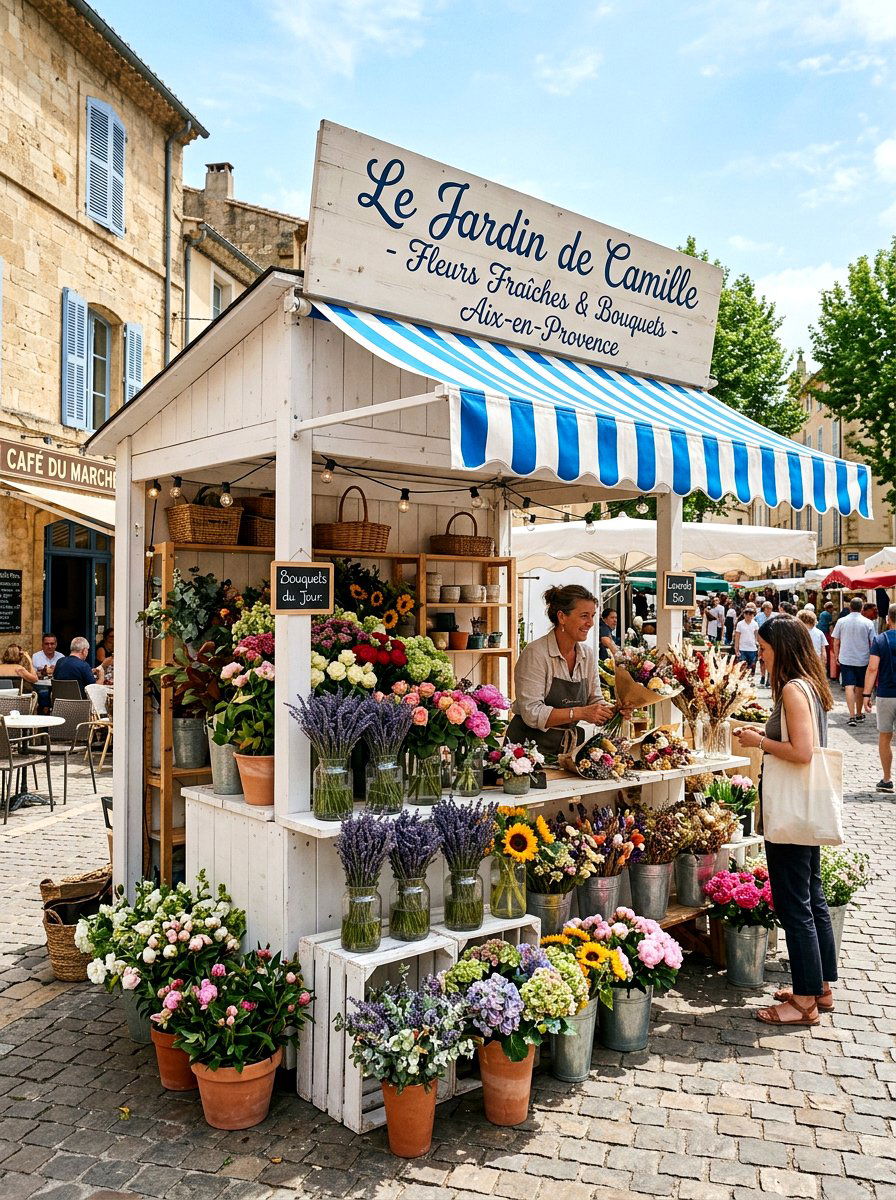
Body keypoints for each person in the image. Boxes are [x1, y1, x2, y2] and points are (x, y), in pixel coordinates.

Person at [733, 616, 836, 1027]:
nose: (760, 655)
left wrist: (759, 741)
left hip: (792, 810)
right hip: (804, 808)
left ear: (783, 648)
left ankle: (805, 1001)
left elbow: (802, 751)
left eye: (764, 648)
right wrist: (762, 731)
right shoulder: (809, 686)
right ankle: (821, 987)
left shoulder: (794, 688)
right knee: (812, 897)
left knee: (796, 906)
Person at [508, 584, 620, 757]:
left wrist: (615, 710)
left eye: (592, 616)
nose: (590, 623)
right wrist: (580, 713)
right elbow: (532, 712)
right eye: (584, 616)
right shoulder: (536, 653)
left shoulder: (587, 655)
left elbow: (594, 700)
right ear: (562, 617)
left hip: (568, 750)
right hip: (525, 753)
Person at [863, 602, 896, 793]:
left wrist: (867, 694)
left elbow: (872, 668)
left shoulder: (880, 639)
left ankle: (887, 778)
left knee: (885, 737)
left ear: (888, 619)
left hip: (886, 695)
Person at [832, 597, 875, 727]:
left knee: (849, 686)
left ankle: (851, 716)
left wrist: (836, 656)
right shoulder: (868, 622)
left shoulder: (841, 621)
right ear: (862, 608)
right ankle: (859, 713)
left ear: (850, 607)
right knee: (860, 687)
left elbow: (836, 641)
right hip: (863, 658)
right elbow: (873, 642)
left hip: (846, 657)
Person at [734, 605, 760, 676]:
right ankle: (742, 682)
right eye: (746, 613)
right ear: (744, 614)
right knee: (742, 668)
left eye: (750, 614)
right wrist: (736, 649)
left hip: (752, 649)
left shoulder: (755, 624)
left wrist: (759, 647)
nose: (748, 615)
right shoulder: (740, 624)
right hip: (742, 649)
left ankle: (750, 681)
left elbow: (757, 636)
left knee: (752, 668)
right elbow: (737, 636)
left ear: (753, 615)